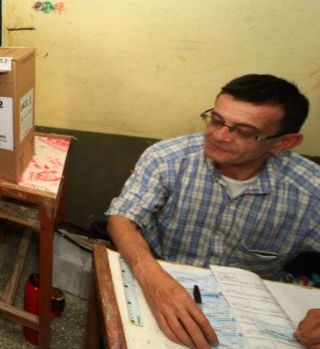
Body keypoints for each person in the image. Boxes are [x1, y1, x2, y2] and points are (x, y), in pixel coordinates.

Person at [105, 74, 319, 349]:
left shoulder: (310, 190)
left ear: (283, 143)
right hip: (162, 279)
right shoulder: (168, 158)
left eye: (242, 131)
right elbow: (122, 217)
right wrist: (153, 280)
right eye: (216, 120)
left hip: (258, 312)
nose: (218, 136)